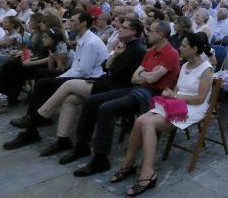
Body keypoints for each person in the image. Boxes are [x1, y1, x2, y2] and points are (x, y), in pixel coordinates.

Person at [66, 20, 180, 175]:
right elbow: (135, 77)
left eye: (151, 31)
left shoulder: (171, 53)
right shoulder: (151, 51)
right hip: (138, 88)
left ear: (160, 34)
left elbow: (152, 79)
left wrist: (145, 75)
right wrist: (146, 76)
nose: (147, 33)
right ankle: (82, 145)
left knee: (107, 108)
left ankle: (101, 158)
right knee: (91, 101)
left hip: (152, 96)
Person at [114, 32, 213, 196]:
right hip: (178, 103)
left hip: (193, 107)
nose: (180, 48)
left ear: (194, 49)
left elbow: (200, 98)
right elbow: (179, 89)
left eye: (183, 46)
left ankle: (148, 173)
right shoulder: (185, 65)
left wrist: (173, 95)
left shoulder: (206, 69)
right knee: (140, 120)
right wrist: (173, 94)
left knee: (149, 123)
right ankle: (128, 163)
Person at [32, 18, 147, 155]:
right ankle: (63, 140)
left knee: (69, 84)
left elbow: (117, 74)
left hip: (115, 88)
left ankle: (40, 115)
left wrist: (112, 62)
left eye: (124, 27)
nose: (119, 29)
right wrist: (114, 55)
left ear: (133, 32)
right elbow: (105, 66)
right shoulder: (123, 45)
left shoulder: (138, 50)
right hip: (106, 82)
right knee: (71, 99)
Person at [3, 12, 108, 150]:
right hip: (79, 75)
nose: (69, 23)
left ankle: (33, 124)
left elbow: (84, 71)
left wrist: (61, 77)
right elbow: (77, 67)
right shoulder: (82, 38)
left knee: (43, 84)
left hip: (90, 79)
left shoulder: (91, 42)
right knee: (44, 77)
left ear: (83, 23)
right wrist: (60, 77)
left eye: (73, 20)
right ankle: (35, 123)